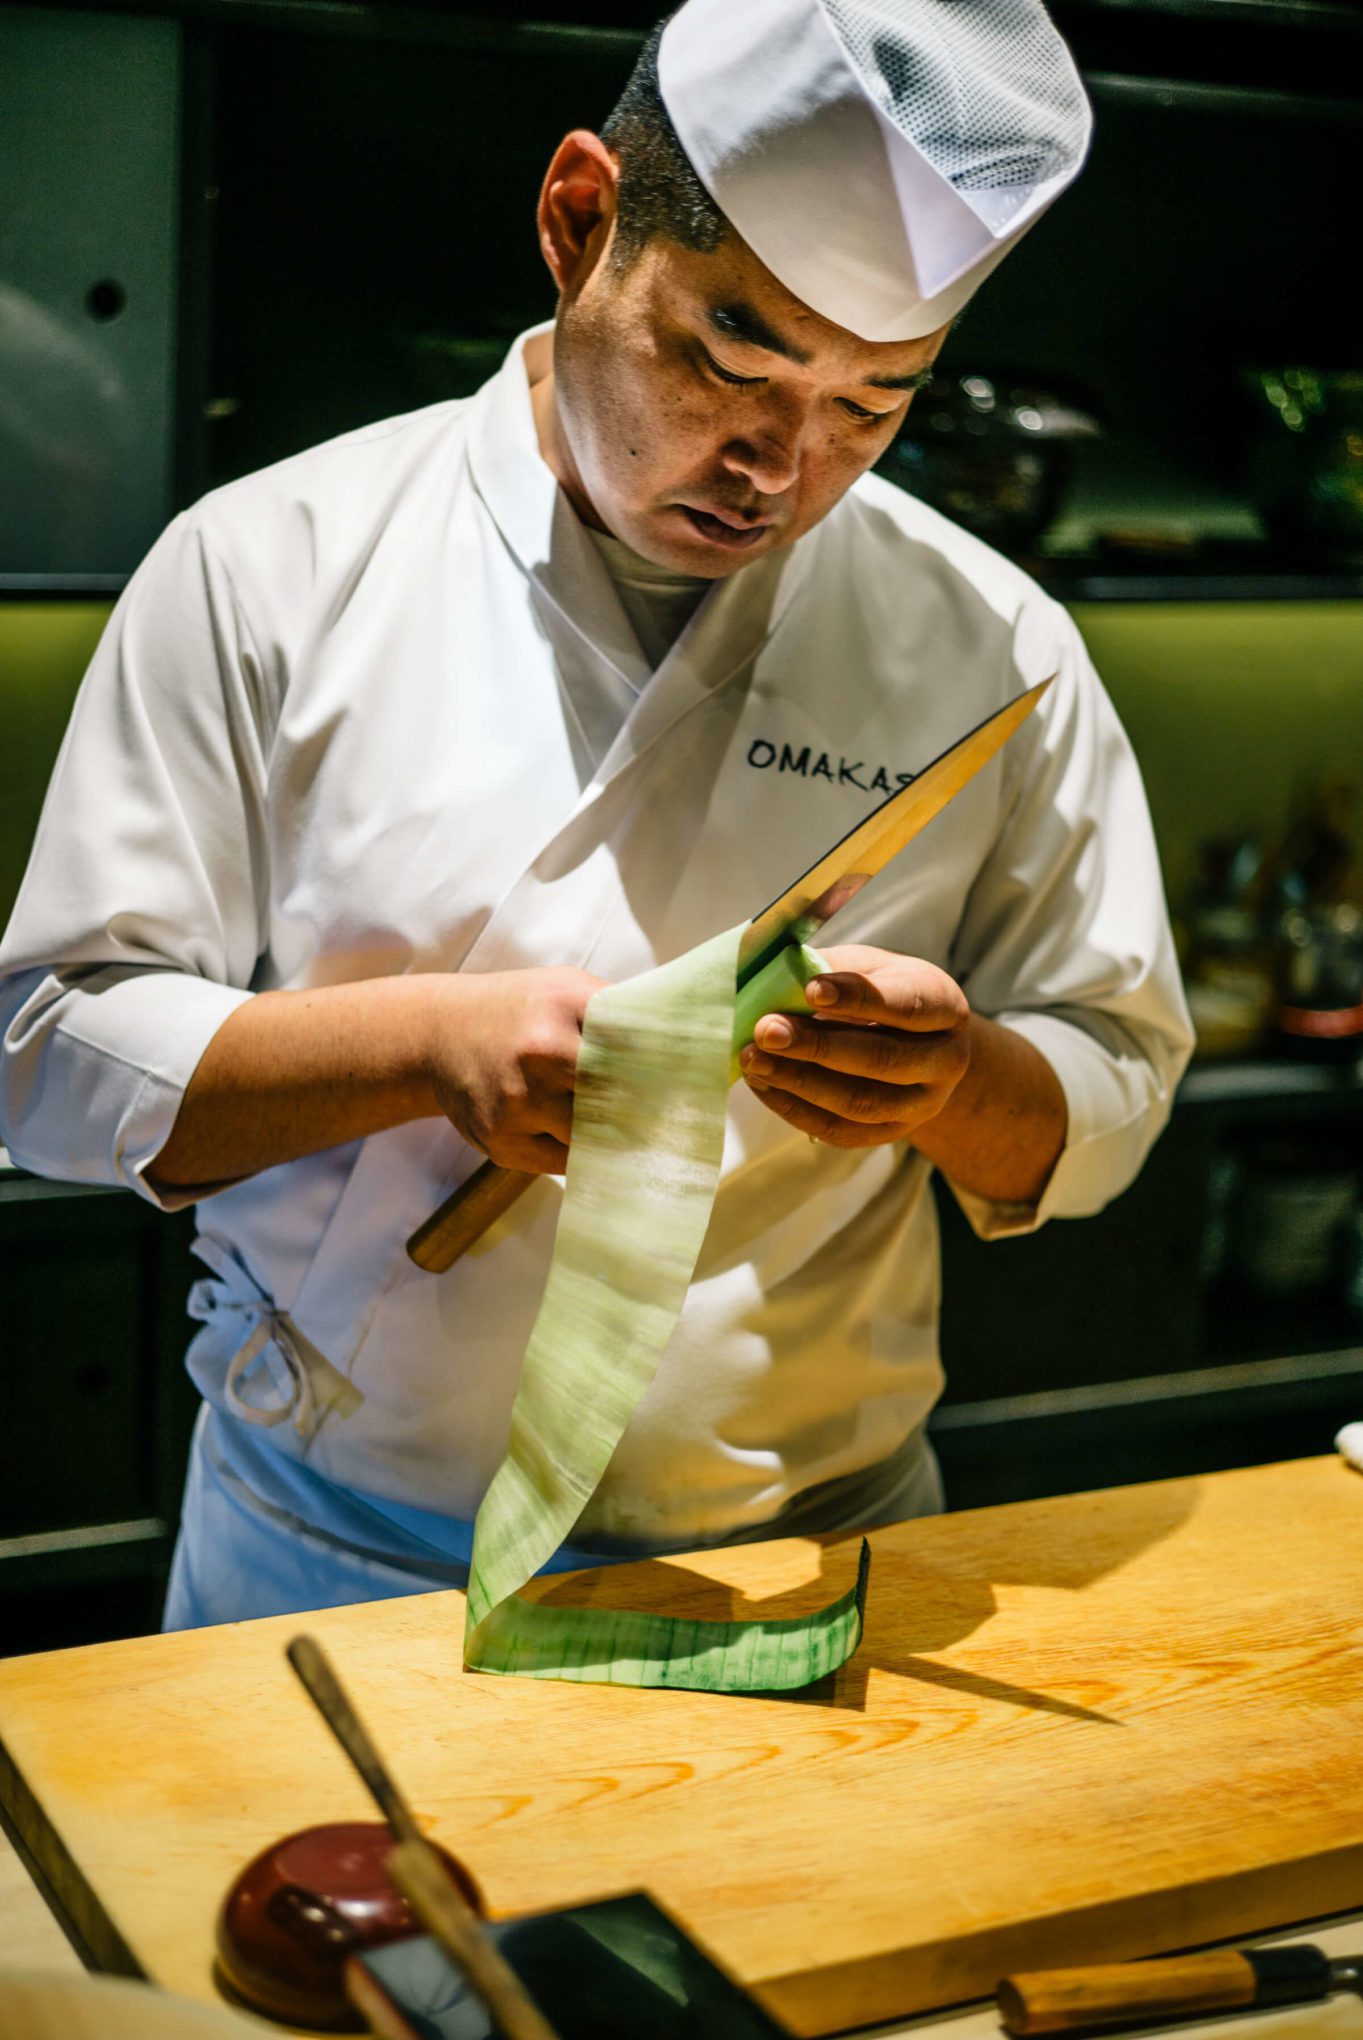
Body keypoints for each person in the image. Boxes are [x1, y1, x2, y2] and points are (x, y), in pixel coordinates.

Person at [0, 0, 1192, 1627]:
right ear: (579, 220)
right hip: (339, 1555)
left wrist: (958, 1077)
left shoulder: (989, 644)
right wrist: (423, 1049)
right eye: (735, 354)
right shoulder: (271, 565)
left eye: (873, 403)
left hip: (809, 1565)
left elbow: (1119, 1073)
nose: (781, 464)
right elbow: (47, 1048)